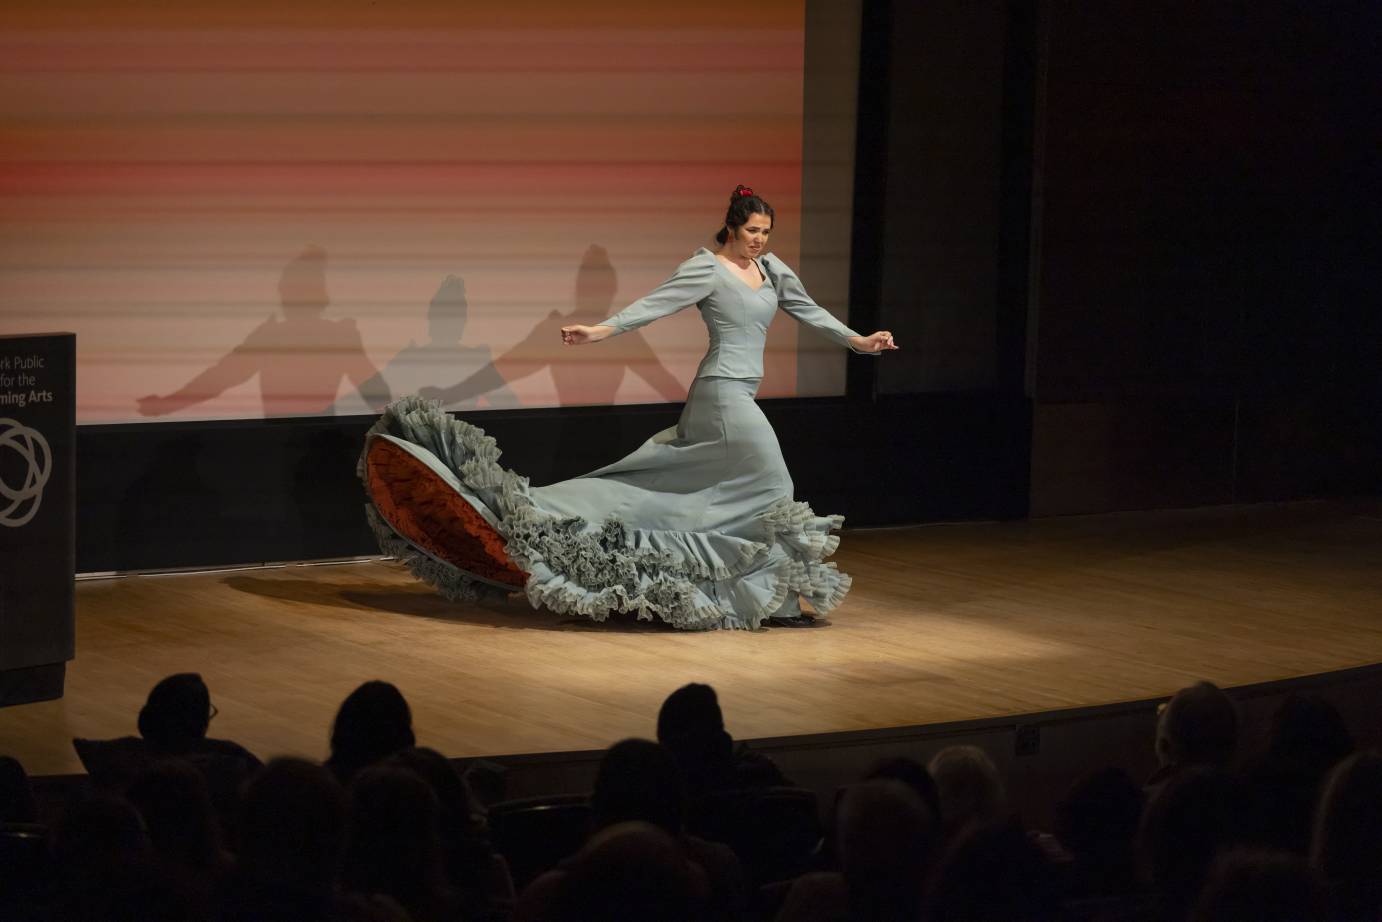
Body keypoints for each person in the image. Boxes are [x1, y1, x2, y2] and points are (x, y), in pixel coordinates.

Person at [361, 185, 897, 630]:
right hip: (722, 393)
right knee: (773, 483)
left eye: (765, 233)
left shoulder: (773, 271)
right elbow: (654, 305)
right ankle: (771, 597)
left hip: (737, 393)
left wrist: (860, 341)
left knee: (692, 502)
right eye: (752, 231)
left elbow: (811, 312)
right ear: (731, 227)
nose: (759, 240)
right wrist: (600, 330)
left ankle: (760, 597)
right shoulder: (706, 268)